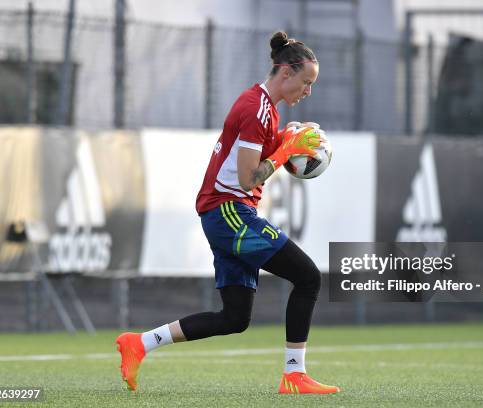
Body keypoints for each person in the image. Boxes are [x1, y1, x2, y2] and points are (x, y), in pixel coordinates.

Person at [116, 30, 339, 395]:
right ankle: (294, 375)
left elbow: (255, 160)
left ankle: (139, 343)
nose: (308, 91)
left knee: (234, 318)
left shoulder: (265, 109)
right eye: (306, 82)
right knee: (309, 277)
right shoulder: (256, 109)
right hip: (228, 212)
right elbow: (252, 175)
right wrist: (286, 151)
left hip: (224, 214)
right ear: (286, 73)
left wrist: (285, 139)